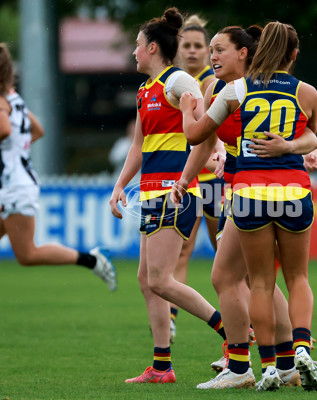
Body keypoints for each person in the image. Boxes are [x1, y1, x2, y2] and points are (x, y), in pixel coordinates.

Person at [177, 21, 317, 391]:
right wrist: (293, 147)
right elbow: (311, 133)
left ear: (251, 52)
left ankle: (262, 365)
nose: (210, 56)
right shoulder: (306, 92)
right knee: (296, 278)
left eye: (217, 49)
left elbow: (198, 137)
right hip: (293, 192)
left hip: (249, 195)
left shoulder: (234, 90)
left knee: (256, 282)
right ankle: (297, 351)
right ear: (293, 54)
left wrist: (187, 109)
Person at [0, 43, 116, 331]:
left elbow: (4, 129)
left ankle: (92, 259)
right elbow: (37, 130)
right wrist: (3, 150)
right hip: (7, 183)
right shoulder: (13, 96)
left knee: (27, 255)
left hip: (15, 185)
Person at [108, 8, 226, 384]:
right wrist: (119, 186)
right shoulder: (146, 90)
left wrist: (216, 150)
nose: (134, 53)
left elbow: (207, 128)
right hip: (151, 193)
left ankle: (234, 335)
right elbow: (139, 147)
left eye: (138, 46)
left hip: (176, 194)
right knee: (147, 279)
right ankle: (162, 366)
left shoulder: (181, 82)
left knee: (160, 280)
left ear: (153, 48)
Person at [169, 15, 224, 344]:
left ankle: (242, 319)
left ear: (207, 51)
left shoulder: (213, 82)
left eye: (197, 46)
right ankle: (171, 318)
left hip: (213, 177)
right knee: (181, 251)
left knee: (225, 252)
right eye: (185, 45)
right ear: (177, 50)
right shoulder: (172, 84)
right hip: (186, 178)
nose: (191, 51)